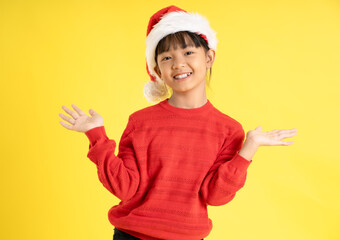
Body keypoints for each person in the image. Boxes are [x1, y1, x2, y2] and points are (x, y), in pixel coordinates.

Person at [58, 5, 298, 240]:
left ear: (209, 57)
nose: (178, 63)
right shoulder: (140, 121)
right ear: (158, 71)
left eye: (188, 52)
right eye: (166, 57)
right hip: (131, 235)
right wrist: (95, 135)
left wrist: (248, 149)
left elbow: (215, 197)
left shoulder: (228, 130)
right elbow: (125, 188)